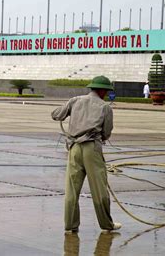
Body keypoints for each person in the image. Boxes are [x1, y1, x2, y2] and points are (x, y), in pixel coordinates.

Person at [51, 75, 121, 233]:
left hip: (74, 148)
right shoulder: (105, 107)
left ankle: (70, 225)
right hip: (92, 149)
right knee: (99, 189)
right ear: (102, 90)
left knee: (72, 189)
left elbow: (56, 115)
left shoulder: (75, 100)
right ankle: (106, 224)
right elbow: (107, 132)